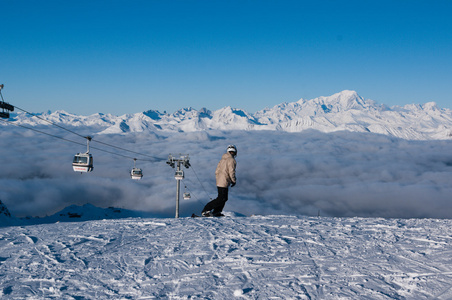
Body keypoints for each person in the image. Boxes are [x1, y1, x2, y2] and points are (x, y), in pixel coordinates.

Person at [202, 145, 237, 217]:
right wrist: (233, 180)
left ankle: (217, 211)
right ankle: (206, 209)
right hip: (224, 181)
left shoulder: (222, 159)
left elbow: (217, 171)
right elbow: (231, 172)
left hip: (220, 181)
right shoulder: (231, 160)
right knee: (221, 198)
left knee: (223, 198)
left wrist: (219, 179)